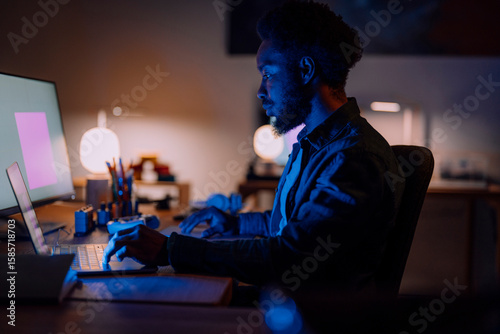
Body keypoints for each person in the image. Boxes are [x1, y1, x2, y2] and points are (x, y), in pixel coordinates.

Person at [103, 0, 404, 296]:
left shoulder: (352, 157)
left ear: (306, 70)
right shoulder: (317, 144)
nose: (261, 91)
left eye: (268, 74)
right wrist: (234, 222)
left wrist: (170, 249)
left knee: (143, 302)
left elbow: (291, 257)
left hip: (306, 319)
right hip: (287, 303)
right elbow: (293, 227)